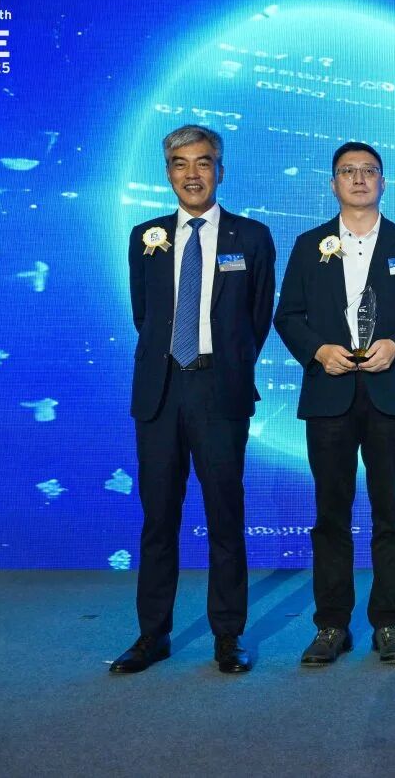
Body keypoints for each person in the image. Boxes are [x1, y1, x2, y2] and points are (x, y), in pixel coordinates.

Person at [113, 124, 275, 674]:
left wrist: (223, 364)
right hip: (159, 393)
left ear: (219, 170)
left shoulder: (251, 237)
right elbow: (144, 315)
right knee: (158, 520)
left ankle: (228, 637)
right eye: (180, 164)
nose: (192, 174)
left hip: (219, 390)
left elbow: (256, 319)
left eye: (203, 162)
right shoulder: (146, 236)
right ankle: (151, 636)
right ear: (168, 174)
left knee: (225, 518)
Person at [274, 142, 395, 666]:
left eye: (369, 171)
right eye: (349, 171)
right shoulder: (309, 245)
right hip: (330, 394)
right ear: (333, 184)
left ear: (384, 182)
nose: (360, 179)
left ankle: (389, 623)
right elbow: (287, 315)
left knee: (391, 514)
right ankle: (331, 625)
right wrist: (318, 351)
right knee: (331, 514)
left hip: (390, 393)